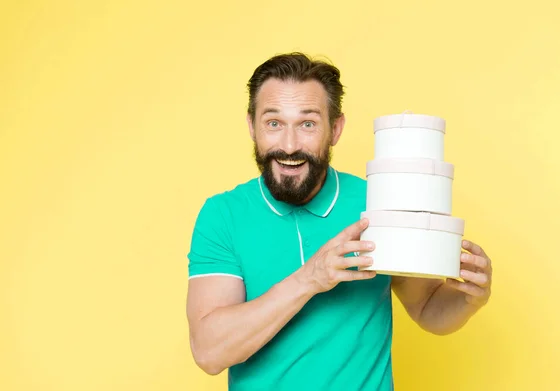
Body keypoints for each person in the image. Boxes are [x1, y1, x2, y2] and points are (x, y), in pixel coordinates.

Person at [185, 52, 493, 391]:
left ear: (335, 129)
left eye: (308, 124)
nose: (289, 145)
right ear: (251, 126)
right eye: (274, 123)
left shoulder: (376, 202)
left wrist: (468, 299)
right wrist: (310, 279)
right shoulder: (223, 216)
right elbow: (209, 352)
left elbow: (428, 307)